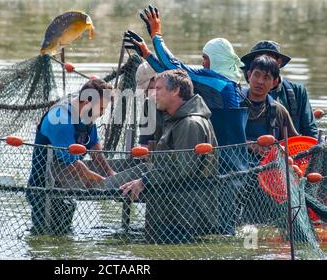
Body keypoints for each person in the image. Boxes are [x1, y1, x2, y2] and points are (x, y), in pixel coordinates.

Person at [124, 5, 248, 147]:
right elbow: (176, 75)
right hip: (220, 156)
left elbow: (176, 67)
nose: (203, 64)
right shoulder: (228, 84)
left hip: (223, 161)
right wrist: (147, 55)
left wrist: (156, 36)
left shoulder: (221, 84)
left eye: (205, 58)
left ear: (218, 58)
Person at [120, 69, 219, 244]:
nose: (153, 93)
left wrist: (144, 181)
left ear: (176, 91)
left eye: (158, 89)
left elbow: (184, 171)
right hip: (174, 213)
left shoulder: (190, 124)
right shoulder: (176, 119)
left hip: (186, 218)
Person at [27, 79, 117, 235]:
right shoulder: (60, 118)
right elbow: (73, 165)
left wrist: (111, 174)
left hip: (66, 187)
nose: (102, 113)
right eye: (101, 108)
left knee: (64, 234)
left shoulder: (87, 116)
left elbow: (95, 150)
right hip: (44, 188)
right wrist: (104, 183)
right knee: (45, 237)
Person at [241, 40, 318, 138]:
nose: (260, 81)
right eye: (260, 60)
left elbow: (310, 131)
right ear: (250, 73)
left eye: (269, 58)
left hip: (288, 149)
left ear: (279, 63)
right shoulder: (238, 99)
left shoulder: (296, 92)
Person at [240, 55, 298, 144]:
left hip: (270, 157)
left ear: (274, 83)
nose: (260, 81)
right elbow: (222, 137)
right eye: (257, 75)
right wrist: (250, 145)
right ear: (249, 76)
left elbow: (294, 143)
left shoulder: (279, 111)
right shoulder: (235, 104)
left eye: (266, 78)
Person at [135, 61, 163, 147]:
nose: (149, 94)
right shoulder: (148, 105)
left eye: (151, 88)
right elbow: (144, 142)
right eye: (145, 92)